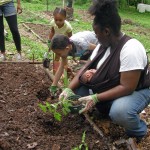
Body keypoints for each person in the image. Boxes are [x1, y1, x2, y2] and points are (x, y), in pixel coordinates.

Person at [59, 0, 150, 142]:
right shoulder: (103, 45)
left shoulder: (131, 49)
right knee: (75, 95)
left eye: (97, 33)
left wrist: (96, 97)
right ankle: (105, 110)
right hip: (116, 87)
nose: (96, 37)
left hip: (137, 90)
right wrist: (68, 89)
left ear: (106, 31)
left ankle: (139, 131)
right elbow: (85, 68)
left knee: (120, 112)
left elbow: (127, 87)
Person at [47, 7, 73, 72]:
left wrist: (69, 45)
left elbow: (71, 37)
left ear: (65, 18)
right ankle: (55, 70)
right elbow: (52, 32)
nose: (58, 22)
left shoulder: (68, 27)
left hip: (64, 43)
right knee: (57, 55)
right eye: (56, 20)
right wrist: (50, 41)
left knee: (64, 56)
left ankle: (65, 70)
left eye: (60, 20)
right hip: (57, 41)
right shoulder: (53, 23)